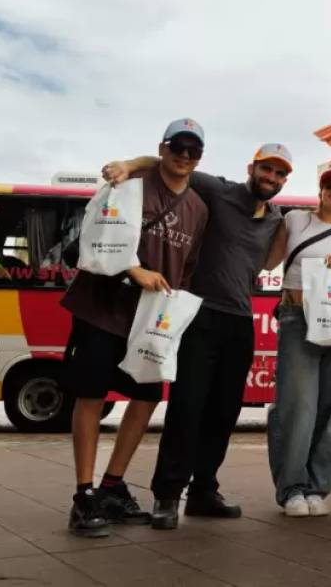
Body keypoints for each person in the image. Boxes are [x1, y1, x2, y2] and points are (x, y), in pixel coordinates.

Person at [103, 142, 292, 529]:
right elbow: (166, 165)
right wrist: (127, 164)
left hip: (240, 321)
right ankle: (168, 495)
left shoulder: (276, 218)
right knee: (187, 407)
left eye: (279, 173)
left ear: (284, 180)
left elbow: (272, 261)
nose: (270, 178)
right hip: (199, 315)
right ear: (251, 168)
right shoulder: (219, 190)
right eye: (265, 170)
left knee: (224, 412)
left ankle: (204, 490)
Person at [63, 118, 208, 537]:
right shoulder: (130, 183)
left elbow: (189, 268)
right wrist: (133, 269)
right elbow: (96, 234)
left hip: (149, 321)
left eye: (192, 150)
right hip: (101, 308)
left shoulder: (199, 208)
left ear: (200, 157)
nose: (184, 155)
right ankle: (83, 494)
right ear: (162, 148)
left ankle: (112, 485)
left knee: (145, 400)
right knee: (91, 396)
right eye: (177, 147)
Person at [264, 165, 331, 517]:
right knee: (296, 407)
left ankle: (317, 486)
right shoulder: (294, 221)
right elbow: (269, 260)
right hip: (297, 317)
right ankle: (292, 487)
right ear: (320, 190)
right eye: (330, 185)